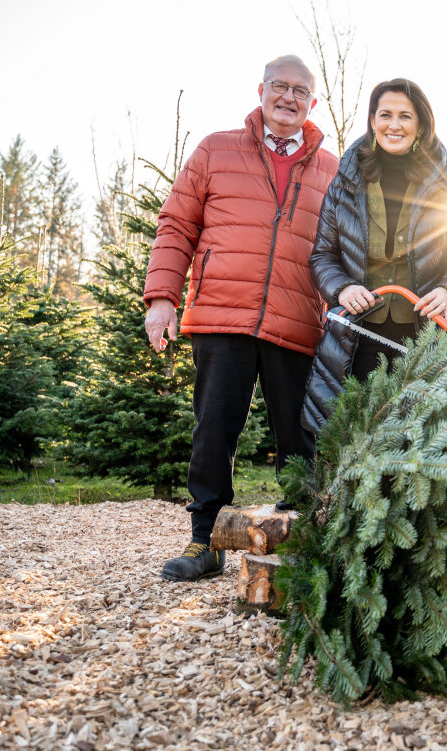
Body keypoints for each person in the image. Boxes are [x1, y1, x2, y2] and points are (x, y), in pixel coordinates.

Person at [143, 54, 339, 581]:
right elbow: (176, 224)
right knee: (214, 432)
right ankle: (204, 542)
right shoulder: (216, 149)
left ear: (312, 102)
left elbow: (346, 249)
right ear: (261, 90)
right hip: (221, 316)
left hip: (297, 323)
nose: (288, 98)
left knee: (300, 440)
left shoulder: (333, 169)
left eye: (300, 91)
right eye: (280, 87)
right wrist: (162, 295)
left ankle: (300, 542)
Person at [301, 78, 447, 433]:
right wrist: (342, 290)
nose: (393, 125)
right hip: (356, 335)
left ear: (421, 126)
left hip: (424, 334)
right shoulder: (345, 184)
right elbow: (322, 256)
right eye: (385, 114)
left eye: (405, 116)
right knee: (355, 433)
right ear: (372, 120)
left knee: (418, 438)